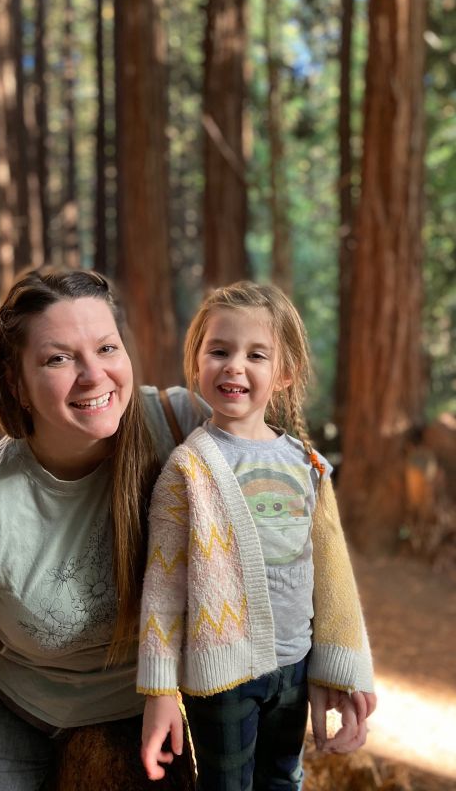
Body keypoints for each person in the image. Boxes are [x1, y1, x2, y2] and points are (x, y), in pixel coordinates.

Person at [0, 268, 207, 791]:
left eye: (107, 348)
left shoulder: (182, 428)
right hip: (11, 702)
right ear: (17, 385)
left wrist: (332, 666)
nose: (94, 376)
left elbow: (290, 482)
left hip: (137, 709)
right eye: (58, 359)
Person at [138, 281, 377, 791]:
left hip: (294, 665)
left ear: (284, 373)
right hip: (221, 678)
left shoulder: (305, 463)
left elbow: (332, 577)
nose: (234, 366)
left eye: (256, 355)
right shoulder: (190, 468)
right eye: (219, 351)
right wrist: (160, 690)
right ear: (196, 361)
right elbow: (162, 585)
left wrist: (342, 668)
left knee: (283, 780)